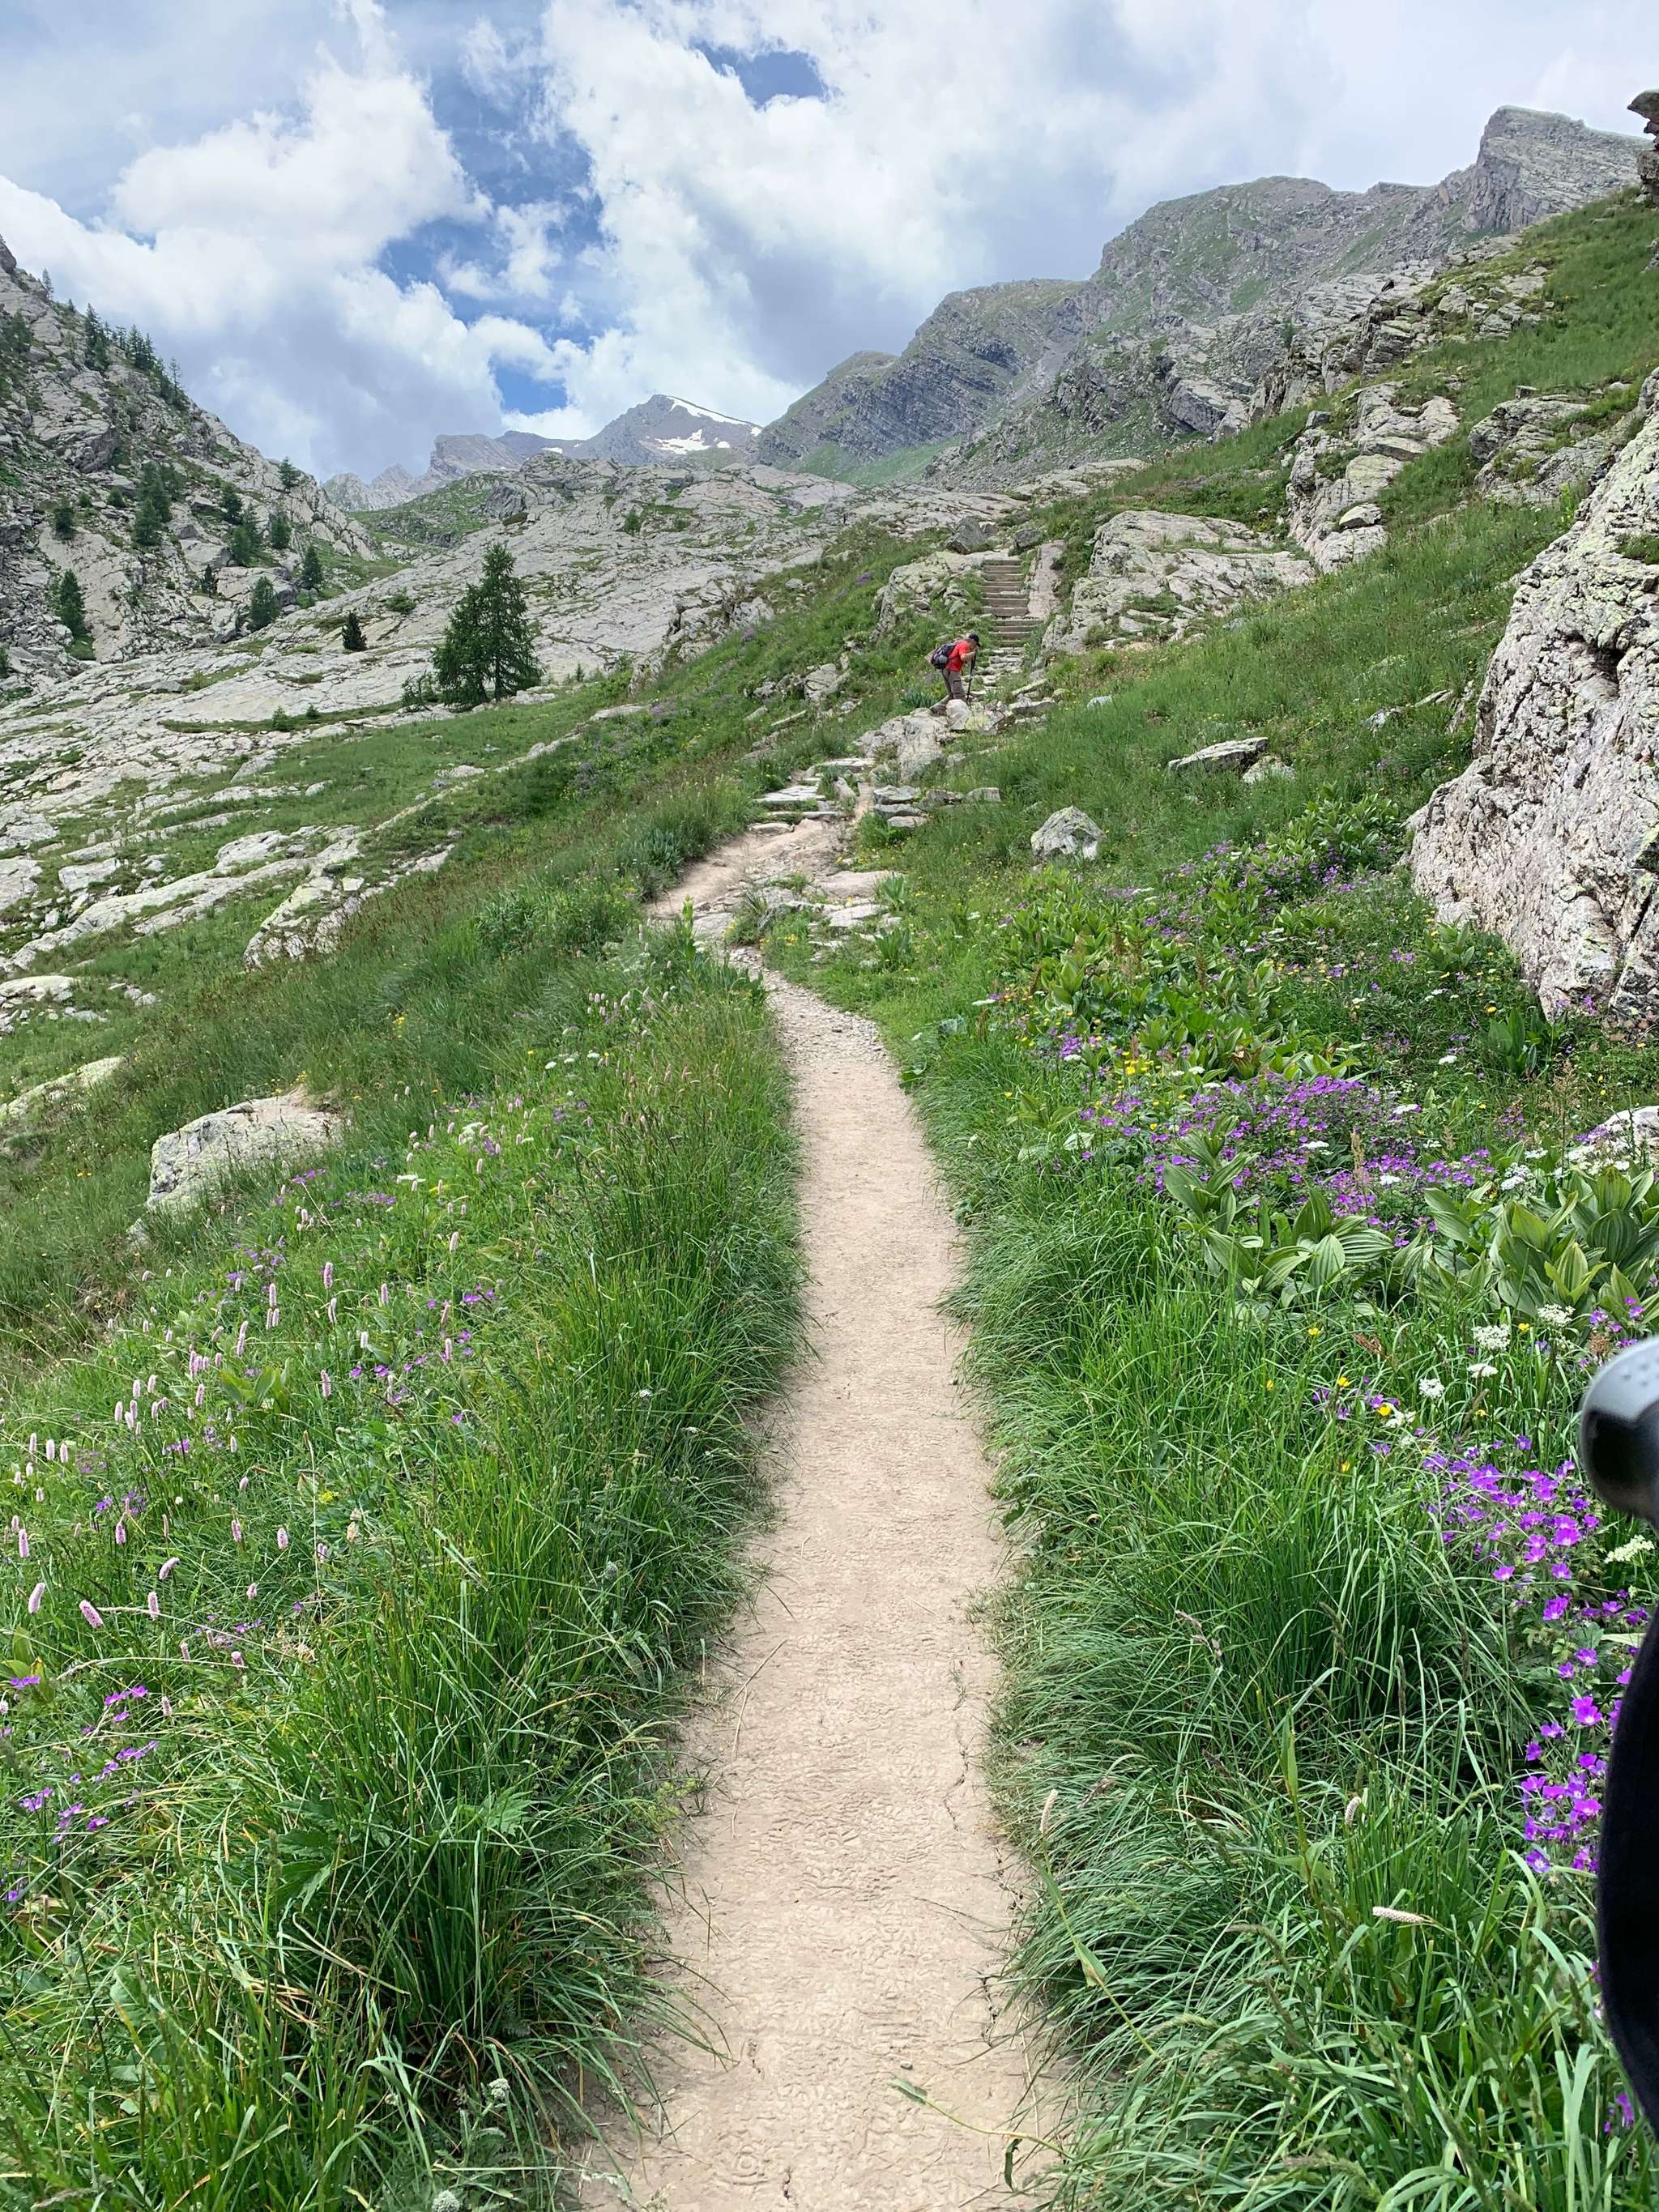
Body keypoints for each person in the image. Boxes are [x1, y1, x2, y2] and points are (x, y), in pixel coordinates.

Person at [938, 632, 979, 704]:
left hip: (946, 669)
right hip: (952, 671)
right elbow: (963, 657)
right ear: (973, 641)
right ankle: (963, 710)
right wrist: (973, 654)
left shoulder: (960, 644)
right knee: (959, 695)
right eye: (975, 644)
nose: (975, 647)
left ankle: (935, 709)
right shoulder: (964, 645)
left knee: (951, 696)